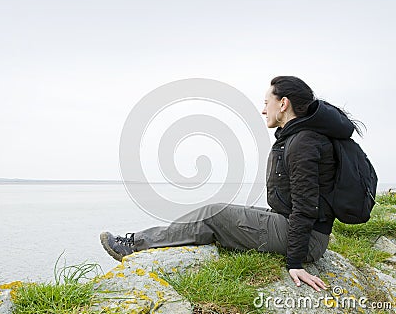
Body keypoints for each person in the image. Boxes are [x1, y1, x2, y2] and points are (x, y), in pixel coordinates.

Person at [100, 76, 360, 291]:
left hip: (306, 239)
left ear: (283, 104)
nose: (262, 109)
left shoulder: (303, 142)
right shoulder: (300, 137)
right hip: (299, 228)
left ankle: (134, 245)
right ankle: (144, 241)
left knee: (215, 213)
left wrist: (295, 262)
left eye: (266, 102)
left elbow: (305, 206)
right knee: (219, 212)